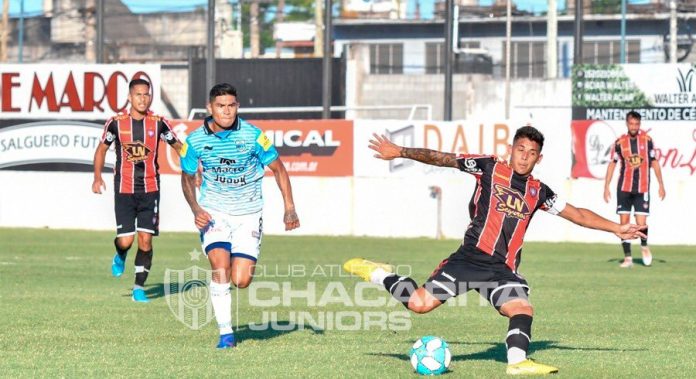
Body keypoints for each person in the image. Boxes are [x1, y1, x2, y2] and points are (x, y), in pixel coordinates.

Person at [343, 126, 646, 375]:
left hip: (502, 270)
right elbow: (443, 158)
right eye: (521, 150)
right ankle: (378, 272)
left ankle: (517, 362)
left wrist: (616, 228)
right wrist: (400, 151)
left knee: (522, 309)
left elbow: (577, 214)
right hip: (469, 259)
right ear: (512, 148)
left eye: (532, 153)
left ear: (539, 158)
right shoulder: (489, 167)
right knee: (419, 304)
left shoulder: (538, 191)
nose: (525, 157)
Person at [180, 83, 300, 349]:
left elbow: (279, 170)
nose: (227, 111)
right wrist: (196, 210)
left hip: (248, 213)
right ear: (210, 108)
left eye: (232, 105)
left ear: (237, 106)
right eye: (221, 106)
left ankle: (229, 295)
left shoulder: (254, 136)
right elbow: (187, 177)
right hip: (214, 212)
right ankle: (226, 335)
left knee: (241, 280)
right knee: (219, 267)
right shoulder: (195, 141)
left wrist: (289, 207)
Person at [93, 78, 182, 303]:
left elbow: (178, 146)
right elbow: (101, 150)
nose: (143, 99)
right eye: (138, 95)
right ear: (130, 97)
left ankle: (138, 287)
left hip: (151, 189)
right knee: (126, 240)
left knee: (145, 241)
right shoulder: (116, 122)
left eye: (146, 94)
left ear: (150, 97)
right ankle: (120, 254)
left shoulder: (159, 122)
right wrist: (97, 178)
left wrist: (194, 166)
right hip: (124, 189)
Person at [603, 111, 665, 268]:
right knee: (623, 223)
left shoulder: (647, 140)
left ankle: (644, 246)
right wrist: (606, 186)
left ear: (640, 125)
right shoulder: (620, 143)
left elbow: (654, 162)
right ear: (627, 124)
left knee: (641, 223)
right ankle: (628, 258)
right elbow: (612, 164)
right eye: (631, 124)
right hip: (624, 189)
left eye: (637, 124)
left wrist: (661, 184)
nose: (634, 127)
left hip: (642, 188)